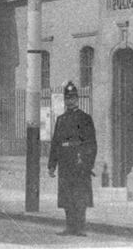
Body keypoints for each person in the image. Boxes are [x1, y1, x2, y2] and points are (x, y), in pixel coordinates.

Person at [48, 81, 97, 236]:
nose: (70, 101)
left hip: (79, 162)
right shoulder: (61, 119)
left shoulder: (85, 118)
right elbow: (56, 143)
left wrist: (88, 163)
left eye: (73, 98)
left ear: (77, 99)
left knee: (80, 196)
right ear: (65, 100)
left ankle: (80, 227)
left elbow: (91, 143)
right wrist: (52, 165)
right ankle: (70, 227)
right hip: (65, 163)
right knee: (67, 196)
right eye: (67, 98)